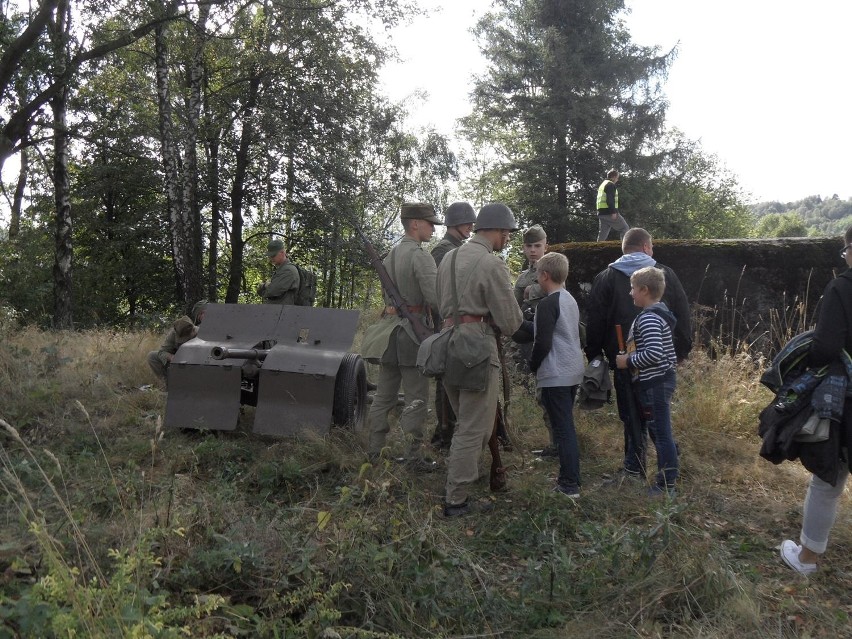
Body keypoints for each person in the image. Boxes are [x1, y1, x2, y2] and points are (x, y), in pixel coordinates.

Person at [436, 202, 527, 517]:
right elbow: (511, 322)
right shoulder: (492, 264)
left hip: (446, 344)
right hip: (476, 346)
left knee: (467, 423)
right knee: (473, 428)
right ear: (498, 231)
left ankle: (460, 483)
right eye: (508, 233)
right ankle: (456, 499)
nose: (509, 240)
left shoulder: (448, 257)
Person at [584, 228, 692, 483]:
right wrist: (680, 351)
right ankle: (668, 461)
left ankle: (635, 467)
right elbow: (682, 312)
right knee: (657, 415)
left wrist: (594, 353)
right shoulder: (665, 275)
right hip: (659, 365)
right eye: (652, 247)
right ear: (646, 247)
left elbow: (595, 319)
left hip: (624, 360)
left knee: (632, 414)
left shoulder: (607, 276)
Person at [780, 227, 852, 575]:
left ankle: (807, 559)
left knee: (829, 480)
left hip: (848, 399)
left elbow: (825, 347)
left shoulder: (842, 287)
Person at [364, 202, 443, 469]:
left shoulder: (389, 256)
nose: (433, 228)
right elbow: (435, 298)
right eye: (430, 223)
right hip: (412, 335)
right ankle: (413, 457)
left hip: (389, 335)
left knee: (384, 396)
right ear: (415, 224)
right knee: (416, 398)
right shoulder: (421, 256)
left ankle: (374, 451)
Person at [615, 267, 679, 497]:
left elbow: (654, 353)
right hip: (654, 383)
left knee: (661, 433)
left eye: (633, 288)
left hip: (656, 383)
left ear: (644, 290)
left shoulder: (650, 319)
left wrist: (627, 361)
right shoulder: (653, 315)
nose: (630, 293)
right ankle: (670, 465)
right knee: (659, 431)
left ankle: (666, 485)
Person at [528, 252, 585, 497]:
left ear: (545, 275)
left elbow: (543, 342)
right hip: (572, 370)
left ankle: (569, 484)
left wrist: (532, 365)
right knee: (565, 426)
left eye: (537, 273)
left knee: (562, 429)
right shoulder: (569, 299)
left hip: (556, 372)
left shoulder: (547, 304)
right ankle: (571, 477)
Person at [429, 202, 477, 450]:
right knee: (445, 378)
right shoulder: (443, 251)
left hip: (460, 323)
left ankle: (452, 429)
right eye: (467, 222)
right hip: (447, 322)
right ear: (455, 224)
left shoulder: (457, 248)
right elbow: (440, 293)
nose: (471, 226)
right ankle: (444, 431)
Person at [513, 224, 556, 456]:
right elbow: (514, 308)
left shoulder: (555, 270)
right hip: (530, 339)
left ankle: (559, 442)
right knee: (541, 392)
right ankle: (555, 442)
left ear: (545, 246)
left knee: (550, 392)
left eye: (537, 246)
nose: (532, 250)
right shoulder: (522, 277)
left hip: (550, 339)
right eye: (528, 246)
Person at [147, 300, 207, 385]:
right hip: (178, 362)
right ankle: (167, 385)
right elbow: (162, 352)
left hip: (196, 363)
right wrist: (171, 357)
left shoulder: (200, 333)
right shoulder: (174, 333)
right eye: (201, 314)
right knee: (152, 356)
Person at [257, 239, 300, 304]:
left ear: (282, 253)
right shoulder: (282, 269)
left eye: (273, 255)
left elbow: (271, 291)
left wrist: (264, 286)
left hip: (283, 312)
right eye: (270, 256)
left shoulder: (288, 270)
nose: (271, 258)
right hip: (278, 311)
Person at [596, 169, 629, 242]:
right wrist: (613, 212)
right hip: (609, 212)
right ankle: (625, 249)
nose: (617, 179)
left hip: (601, 213)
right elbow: (609, 199)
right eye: (617, 177)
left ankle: (596, 250)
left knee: (603, 234)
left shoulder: (603, 184)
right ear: (613, 177)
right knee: (624, 228)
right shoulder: (610, 185)